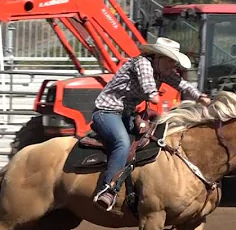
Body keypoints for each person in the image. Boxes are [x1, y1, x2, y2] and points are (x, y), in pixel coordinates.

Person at [90, 37, 211, 211]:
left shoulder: (163, 71)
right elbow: (148, 85)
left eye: (174, 62)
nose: (172, 66)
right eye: (170, 60)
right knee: (122, 143)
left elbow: (182, 84)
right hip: (106, 112)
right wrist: (153, 94)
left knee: (153, 137)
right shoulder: (142, 63)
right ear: (157, 57)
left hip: (125, 114)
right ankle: (108, 189)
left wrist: (200, 97)